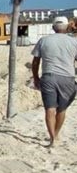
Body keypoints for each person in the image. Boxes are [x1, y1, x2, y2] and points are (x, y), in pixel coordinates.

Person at [31, 16, 77, 147]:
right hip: (67, 78)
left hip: (48, 77)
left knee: (49, 109)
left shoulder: (43, 40)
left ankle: (52, 138)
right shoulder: (74, 42)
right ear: (67, 27)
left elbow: (35, 62)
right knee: (62, 109)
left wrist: (36, 77)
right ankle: (56, 134)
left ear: (53, 28)